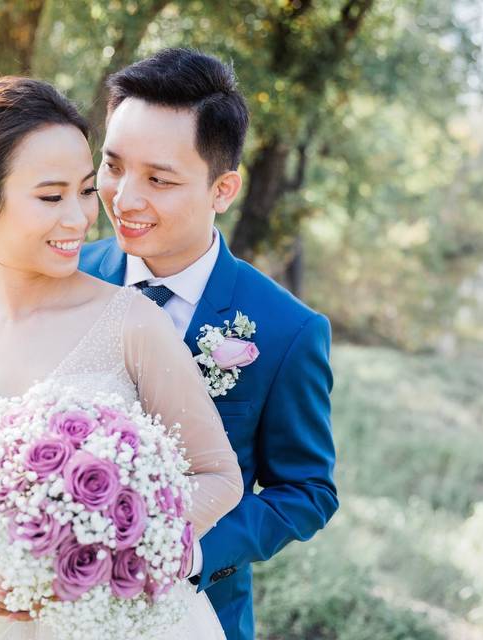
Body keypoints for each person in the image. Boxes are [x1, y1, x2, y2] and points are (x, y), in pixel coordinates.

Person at [0, 76, 242, 639]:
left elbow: (219, 475)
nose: (79, 218)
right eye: (51, 196)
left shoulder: (133, 323)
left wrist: (109, 547)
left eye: (85, 190)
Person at [78, 48, 338, 640]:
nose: (124, 198)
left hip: (194, 614)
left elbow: (307, 490)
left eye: (159, 179)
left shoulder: (286, 330)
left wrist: (191, 552)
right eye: (114, 166)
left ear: (222, 189)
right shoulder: (67, 279)